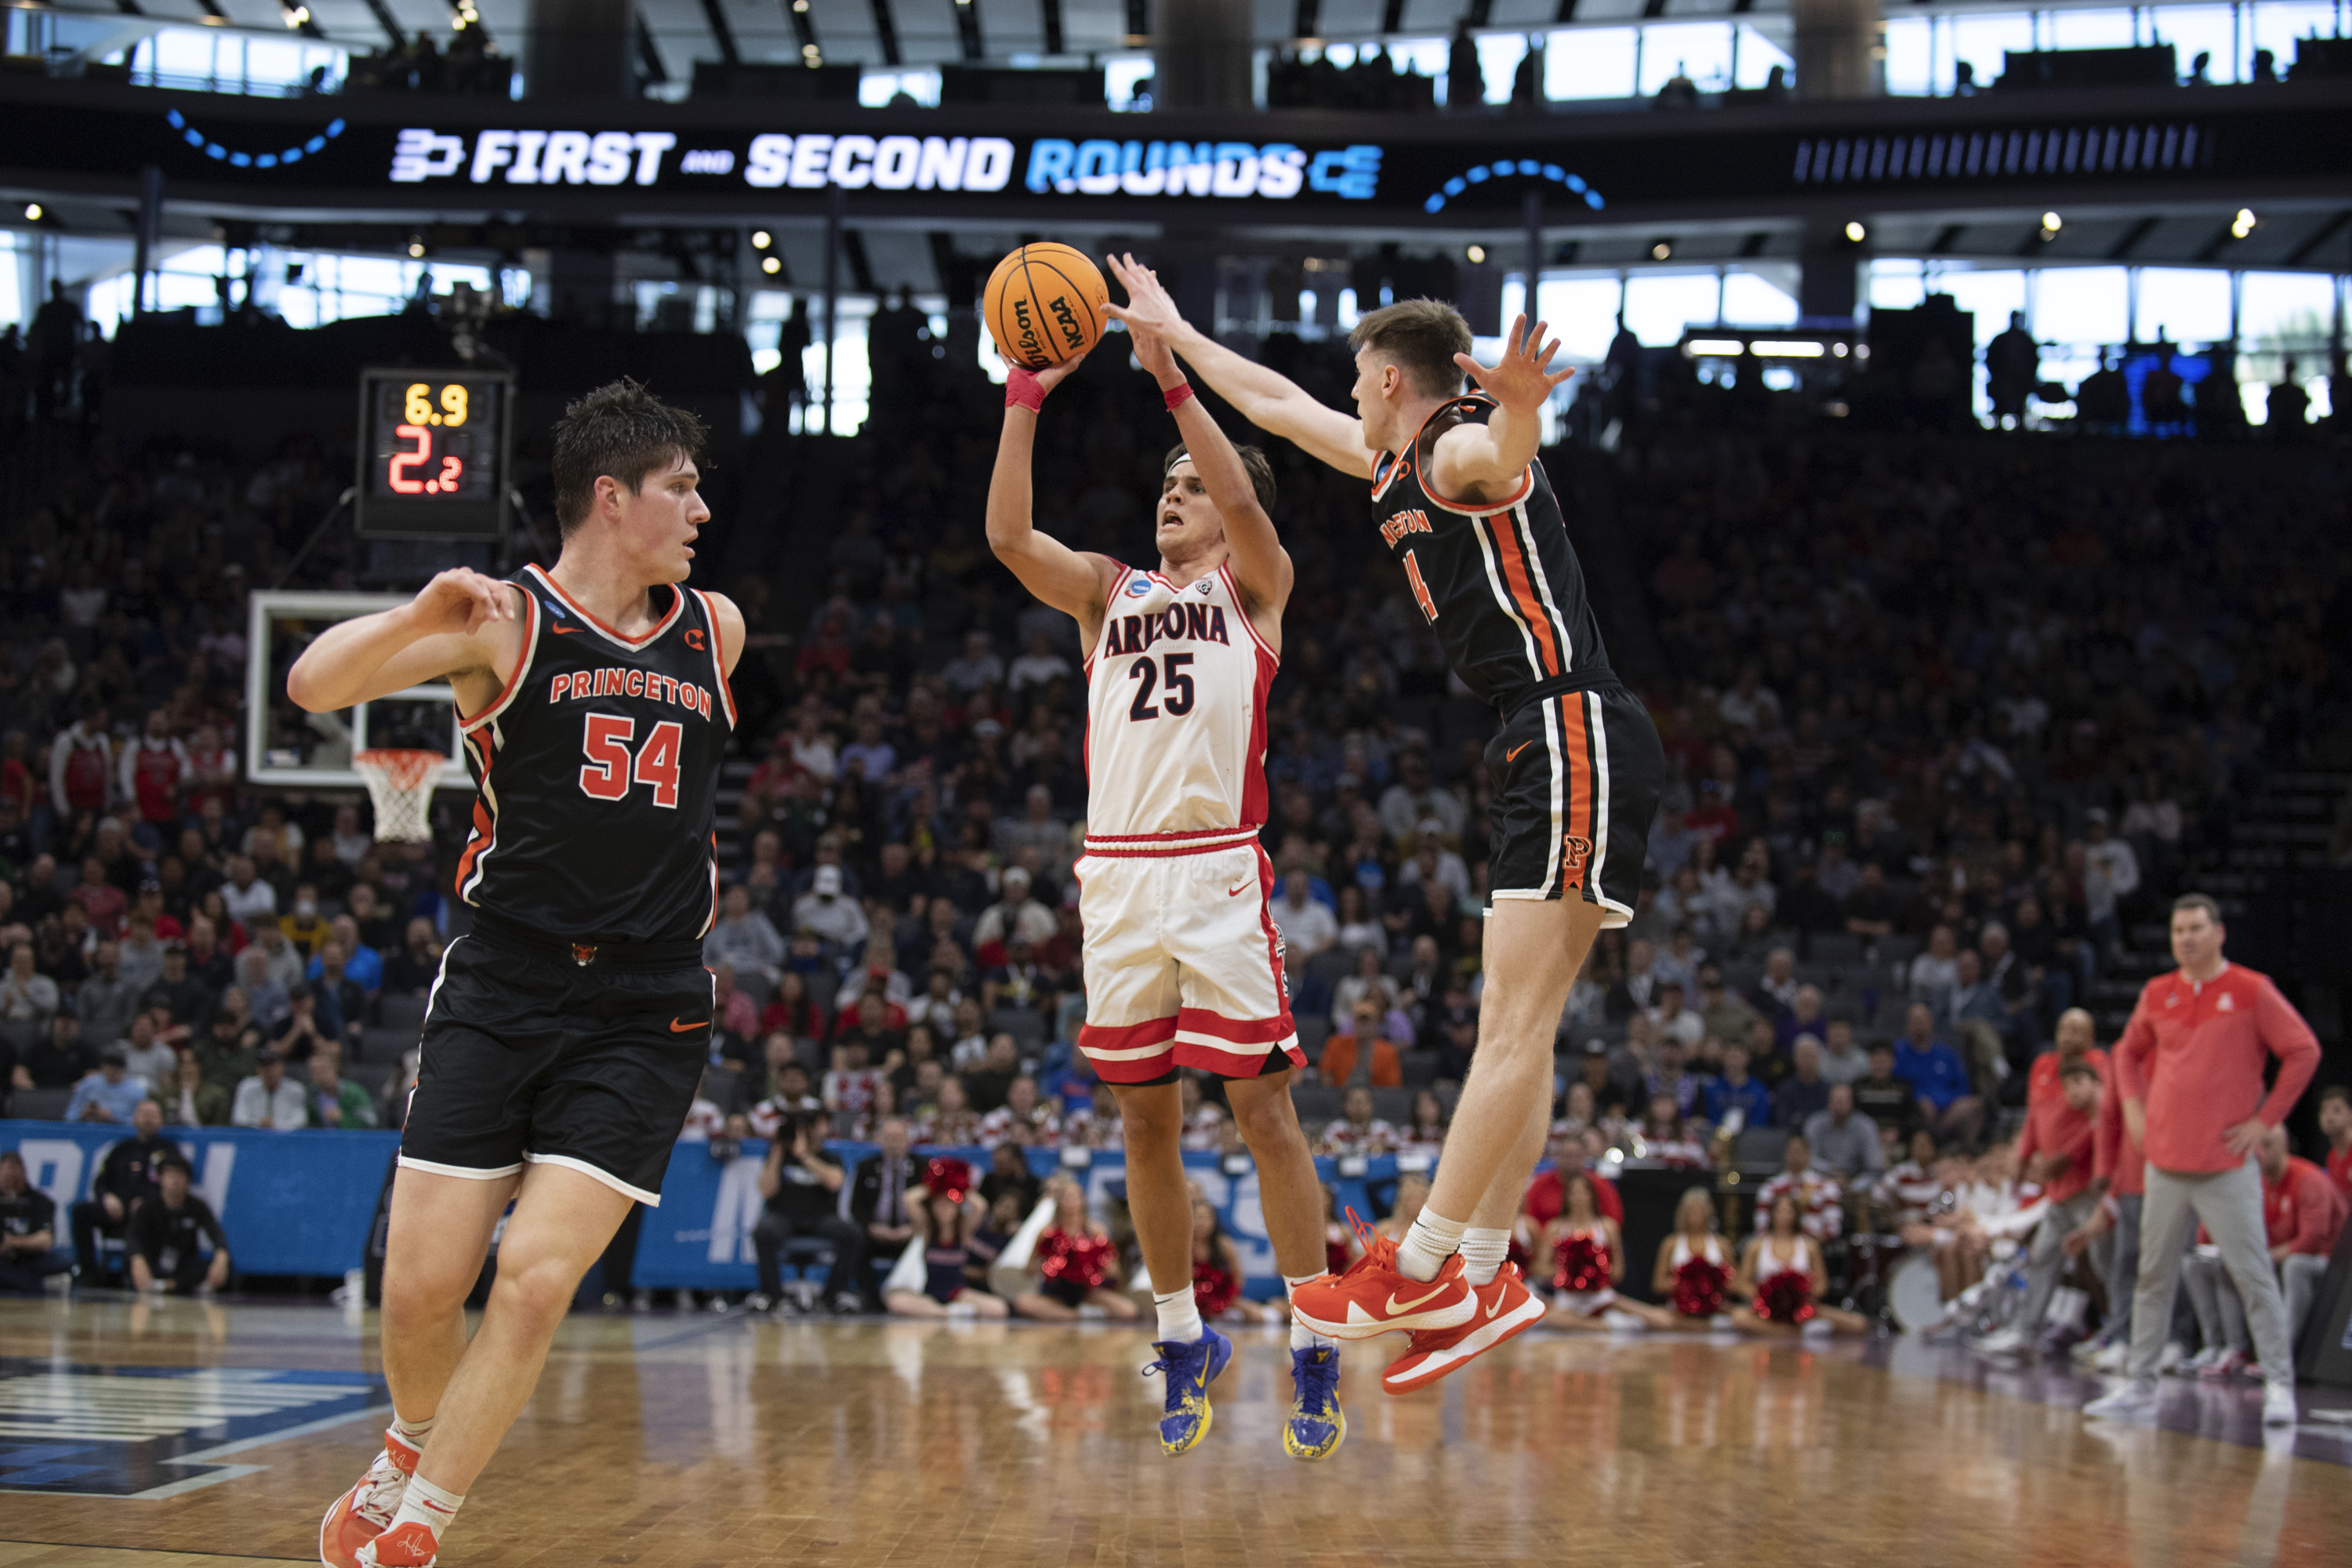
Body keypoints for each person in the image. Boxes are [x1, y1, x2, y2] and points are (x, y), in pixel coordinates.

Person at [1113, 260, 1669, 1396]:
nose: (1346, 398)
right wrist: (1177, 338)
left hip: (1569, 722)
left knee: (1510, 1023)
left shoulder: (1455, 444)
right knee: (1527, 1023)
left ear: (1384, 378)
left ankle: (1419, 1268)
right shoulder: (1387, 460)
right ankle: (1479, 1275)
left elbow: (1491, 460)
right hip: (1537, 736)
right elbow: (1271, 403)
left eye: (1356, 383)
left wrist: (1516, 409)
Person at [292, 381, 745, 1568]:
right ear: (612, 497)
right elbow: (313, 686)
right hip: (504, 980)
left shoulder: (718, 629)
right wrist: (412, 615)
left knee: (538, 1282)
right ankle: (407, 1447)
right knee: (419, 1291)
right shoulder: (504, 623)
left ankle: (418, 1534)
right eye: (679, 487)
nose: (700, 507)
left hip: (646, 1003)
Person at [982, 303, 1340, 1462]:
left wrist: (1175, 383)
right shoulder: (1108, 591)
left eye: (1192, 485)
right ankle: (1183, 1333)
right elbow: (1006, 537)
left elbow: (1244, 502)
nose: (1173, 495)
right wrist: (1023, 399)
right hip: (1119, 878)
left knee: (1263, 1110)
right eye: (1166, 484)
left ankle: (1312, 1332)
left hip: (1217, 870)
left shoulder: (1259, 587)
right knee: (1144, 1121)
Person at [2084, 895, 2319, 1430]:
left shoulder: (2250, 990)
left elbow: (2304, 1050)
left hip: (2226, 1164)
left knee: (2253, 1273)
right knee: (2153, 1277)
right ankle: (2140, 1385)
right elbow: (2126, 1052)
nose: (2185, 938)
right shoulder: (2158, 992)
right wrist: (2132, 1108)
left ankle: (2279, 1385)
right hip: (2165, 1163)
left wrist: (2266, 1122)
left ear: (2219, 933)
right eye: (2177, 931)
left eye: (2194, 928)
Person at [2178, 1124, 2344, 1372]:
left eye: (2268, 1146)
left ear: (2285, 1147)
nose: (2261, 1153)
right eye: (2258, 1147)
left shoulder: (2309, 1180)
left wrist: (2261, 1259)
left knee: (2295, 1266)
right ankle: (2225, 1348)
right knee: (2198, 1264)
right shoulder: (2253, 1182)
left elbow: (2311, 1240)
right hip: (2276, 1258)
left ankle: (2279, 1357)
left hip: (2328, 1264)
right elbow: (2222, 1223)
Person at [1976, 1056, 2103, 1357]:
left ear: (2096, 1083)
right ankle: (2026, 1333)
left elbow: (2100, 1146)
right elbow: (2034, 1125)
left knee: (2105, 1267)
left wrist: (2068, 1156)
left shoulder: (2104, 1106)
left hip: (2091, 1195)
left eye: (2078, 1084)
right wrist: (2023, 1161)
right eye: (2067, 1085)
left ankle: (2121, 1334)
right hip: (2061, 1196)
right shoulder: (2053, 1092)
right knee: (2043, 1257)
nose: (2070, 1091)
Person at [1538, 1171, 1673, 1332]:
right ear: (1567, 1197)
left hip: (1601, 1297)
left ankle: (1591, 1323)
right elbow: (1541, 1268)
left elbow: (1619, 1272)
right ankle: (1603, 1325)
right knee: (1550, 1321)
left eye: (1583, 1192)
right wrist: (1570, 1273)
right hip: (1568, 1299)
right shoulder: (1556, 1227)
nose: (1579, 1197)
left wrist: (1595, 1273)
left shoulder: (1607, 1227)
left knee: (1661, 1320)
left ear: (1592, 1196)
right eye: (1574, 1193)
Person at [884, 1159, 1009, 1320]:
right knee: (897, 1302)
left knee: (999, 1308)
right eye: (940, 1203)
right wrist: (936, 1183)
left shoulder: (963, 1230)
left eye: (950, 1204)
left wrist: (958, 1186)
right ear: (933, 1205)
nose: (945, 1208)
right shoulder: (926, 1229)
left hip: (957, 1292)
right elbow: (909, 1199)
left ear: (958, 1207)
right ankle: (948, 1313)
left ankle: (948, 1311)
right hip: (926, 1293)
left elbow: (980, 1206)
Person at [1734, 1192, 1870, 1336]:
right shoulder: (1756, 1245)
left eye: (1789, 1210)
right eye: (1780, 1210)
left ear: (1797, 1214)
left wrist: (1799, 1297)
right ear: (1772, 1214)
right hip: (1765, 1311)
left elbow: (1822, 1285)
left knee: (1859, 1323)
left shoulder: (1810, 1246)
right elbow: (1741, 1283)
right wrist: (1769, 1297)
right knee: (1739, 1318)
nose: (1784, 1215)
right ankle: (1793, 1332)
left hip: (1802, 1310)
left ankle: (1785, 1331)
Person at [1014, 1176, 1141, 1323]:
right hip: (1055, 1293)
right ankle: (1077, 1316)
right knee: (1023, 1303)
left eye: (1074, 1196)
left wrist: (1090, 1266)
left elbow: (1114, 1272)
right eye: (1066, 1197)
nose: (1070, 1201)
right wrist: (1053, 1265)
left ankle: (1074, 1315)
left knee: (1128, 1311)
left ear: (1083, 1200)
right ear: (1059, 1201)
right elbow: (1028, 1269)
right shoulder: (1047, 1233)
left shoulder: (1096, 1232)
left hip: (1087, 1291)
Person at [125, 1152, 230, 1294]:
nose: (174, 1180)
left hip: (182, 1265)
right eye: (170, 1174)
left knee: (224, 1264)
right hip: (153, 1262)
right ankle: (163, 1284)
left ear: (187, 1179)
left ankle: (169, 1286)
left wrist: (221, 1254)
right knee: (130, 1259)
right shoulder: (147, 1207)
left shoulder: (196, 1206)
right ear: (160, 1178)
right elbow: (133, 1236)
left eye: (179, 1175)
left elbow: (215, 1231)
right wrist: (137, 1258)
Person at [845, 1118, 922, 1311]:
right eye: (889, 1138)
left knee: (927, 1240)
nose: (894, 1143)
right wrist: (872, 1227)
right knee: (854, 1238)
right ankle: (870, 1299)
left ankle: (916, 1296)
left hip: (911, 1232)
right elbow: (856, 1207)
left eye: (898, 1137)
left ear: (908, 1140)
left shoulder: (923, 1167)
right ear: (879, 1139)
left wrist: (915, 1228)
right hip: (876, 1232)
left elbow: (930, 1206)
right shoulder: (866, 1167)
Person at [1653, 1187, 1741, 1329]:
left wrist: (1710, 1287)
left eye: (1700, 1210)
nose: (1695, 1214)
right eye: (1691, 1210)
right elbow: (1658, 1283)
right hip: (1678, 1312)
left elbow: (1735, 1283)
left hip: (1716, 1312)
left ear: (1709, 1212)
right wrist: (1690, 1286)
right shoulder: (1670, 1244)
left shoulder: (1722, 1244)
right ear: (1683, 1213)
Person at [0, 1148, 72, 1294]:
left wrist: (13, 1242)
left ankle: (25, 1283)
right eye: (8, 1180)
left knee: (66, 1264)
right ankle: (39, 1284)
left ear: (25, 1175)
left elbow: (45, 1241)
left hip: (31, 1258)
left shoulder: (40, 1201)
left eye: (17, 1180)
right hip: (4, 1261)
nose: (12, 1185)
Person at [65, 1047, 148, 1124]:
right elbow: (70, 1116)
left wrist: (112, 1118)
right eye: (109, 1065)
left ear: (124, 1068)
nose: (112, 1070)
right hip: (88, 1130)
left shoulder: (136, 1091)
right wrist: (83, 1114)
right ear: (102, 1066)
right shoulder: (88, 1084)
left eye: (117, 1066)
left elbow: (139, 1122)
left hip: (121, 1134)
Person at [231, 1048, 307, 1129]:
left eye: (274, 1065)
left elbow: (300, 1121)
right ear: (258, 1069)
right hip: (254, 1137)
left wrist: (275, 1124)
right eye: (265, 1066)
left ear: (282, 1067)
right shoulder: (246, 1086)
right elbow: (238, 1118)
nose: (270, 1070)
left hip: (285, 1138)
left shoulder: (295, 1089)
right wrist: (259, 1123)